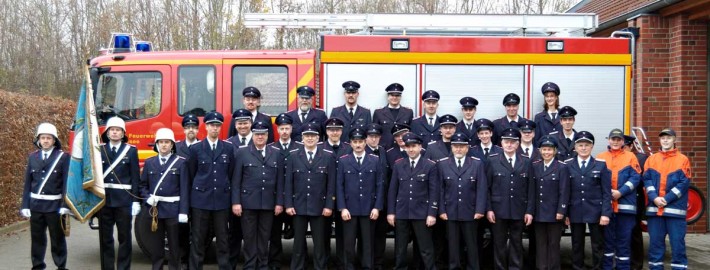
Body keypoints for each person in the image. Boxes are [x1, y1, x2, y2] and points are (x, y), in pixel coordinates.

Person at [187, 111, 236, 270]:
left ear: (221, 127)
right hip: (201, 201)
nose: (215, 128)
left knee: (223, 239)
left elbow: (230, 173)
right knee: (198, 240)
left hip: (221, 201)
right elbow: (192, 174)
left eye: (217, 125)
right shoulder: (195, 149)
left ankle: (225, 267)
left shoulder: (228, 148)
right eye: (211, 125)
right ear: (206, 127)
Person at [232, 121, 284, 269]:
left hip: (268, 203)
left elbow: (280, 180)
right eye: (257, 134)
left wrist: (279, 202)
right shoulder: (242, 152)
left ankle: (262, 266)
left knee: (264, 237)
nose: (260, 137)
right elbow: (236, 180)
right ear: (252, 135)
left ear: (267, 136)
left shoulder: (276, 152)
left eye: (263, 134)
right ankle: (249, 266)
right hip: (248, 203)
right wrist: (236, 202)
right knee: (249, 238)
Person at [284, 123, 336, 270]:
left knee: (319, 243)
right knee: (298, 243)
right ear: (302, 138)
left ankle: (320, 267)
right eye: (307, 136)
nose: (310, 138)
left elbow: (331, 184)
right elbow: (288, 183)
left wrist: (328, 206)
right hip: (298, 206)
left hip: (319, 207)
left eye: (313, 136)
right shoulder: (293, 156)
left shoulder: (327, 156)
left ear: (318, 138)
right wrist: (288, 204)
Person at [21, 123, 70, 270]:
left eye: (49, 138)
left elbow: (66, 183)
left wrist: (65, 205)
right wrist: (25, 205)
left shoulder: (62, 157)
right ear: (38, 140)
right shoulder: (32, 157)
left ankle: (61, 266)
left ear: (54, 140)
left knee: (57, 239)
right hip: (36, 206)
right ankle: (38, 266)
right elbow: (28, 183)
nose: (46, 141)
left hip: (54, 206)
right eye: (43, 138)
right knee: (37, 239)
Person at [387, 132, 439, 270]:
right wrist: (391, 212)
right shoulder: (398, 165)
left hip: (422, 213)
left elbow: (434, 192)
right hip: (402, 212)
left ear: (420, 147)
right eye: (408, 146)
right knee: (400, 248)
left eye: (414, 146)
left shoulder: (430, 165)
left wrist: (432, 213)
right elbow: (393, 190)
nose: (410, 149)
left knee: (425, 248)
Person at [139, 128, 189, 270]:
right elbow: (143, 185)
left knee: (174, 245)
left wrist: (183, 211)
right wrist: (147, 198)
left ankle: (174, 267)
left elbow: (184, 189)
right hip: (155, 210)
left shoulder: (180, 163)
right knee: (156, 245)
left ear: (172, 144)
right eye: (161, 142)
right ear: (157, 144)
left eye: (167, 142)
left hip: (173, 210)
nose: (164, 145)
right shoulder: (149, 162)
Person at [336, 128, 385, 270]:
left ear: (365, 142)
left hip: (369, 209)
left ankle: (367, 267)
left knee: (367, 244)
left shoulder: (375, 160)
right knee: (349, 244)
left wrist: (377, 207)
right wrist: (342, 208)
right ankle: (349, 267)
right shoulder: (344, 161)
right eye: (355, 142)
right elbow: (339, 186)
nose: (358, 145)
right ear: (350, 143)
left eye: (361, 142)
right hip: (349, 210)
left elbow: (379, 185)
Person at [486, 127, 534, 270]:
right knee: (499, 244)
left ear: (518, 144)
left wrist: (529, 211)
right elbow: (486, 188)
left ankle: (515, 267)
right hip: (498, 210)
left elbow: (530, 188)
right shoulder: (492, 160)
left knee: (516, 243)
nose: (509, 145)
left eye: (513, 142)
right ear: (501, 143)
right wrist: (488, 209)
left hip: (519, 209)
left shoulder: (526, 161)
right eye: (506, 142)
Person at [438, 132, 487, 270]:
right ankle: (454, 267)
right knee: (453, 246)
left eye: (461, 146)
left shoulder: (477, 164)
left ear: (467, 148)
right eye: (455, 146)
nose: (458, 149)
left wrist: (479, 210)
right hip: (450, 211)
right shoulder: (443, 164)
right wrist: (441, 210)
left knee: (472, 245)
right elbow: (440, 190)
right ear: (451, 148)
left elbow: (481, 188)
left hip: (470, 211)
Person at [644, 128, 690, 270]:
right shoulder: (651, 159)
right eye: (663, 138)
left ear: (674, 140)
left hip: (675, 212)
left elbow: (683, 183)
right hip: (655, 211)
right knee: (655, 246)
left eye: (668, 138)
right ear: (660, 140)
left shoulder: (683, 159)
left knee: (677, 245)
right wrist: (654, 198)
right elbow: (647, 180)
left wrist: (666, 199)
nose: (665, 140)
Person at [565, 131, 611, 270]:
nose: (583, 148)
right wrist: (566, 213)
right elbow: (565, 191)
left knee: (597, 243)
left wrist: (605, 213)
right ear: (575, 147)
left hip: (595, 211)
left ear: (592, 147)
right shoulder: (568, 165)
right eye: (580, 145)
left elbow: (606, 192)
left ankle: (598, 267)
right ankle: (578, 267)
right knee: (577, 243)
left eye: (587, 145)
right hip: (575, 209)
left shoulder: (601, 165)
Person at [596, 128, 642, 270]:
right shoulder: (600, 157)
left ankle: (623, 267)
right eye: (613, 139)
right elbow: (596, 179)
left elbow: (635, 178)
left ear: (622, 141)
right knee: (607, 242)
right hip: (607, 208)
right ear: (608, 140)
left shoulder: (631, 157)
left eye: (618, 140)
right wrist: (609, 193)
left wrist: (620, 192)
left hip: (625, 208)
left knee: (624, 242)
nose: (615, 142)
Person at [99, 116, 140, 270]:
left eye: (118, 130)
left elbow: (135, 177)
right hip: (104, 201)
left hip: (124, 201)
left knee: (124, 238)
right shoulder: (99, 149)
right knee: (105, 238)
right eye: (112, 130)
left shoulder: (131, 151)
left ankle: (124, 267)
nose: (115, 133)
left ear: (123, 133)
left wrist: (136, 200)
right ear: (107, 133)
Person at [531, 135, 569, 270]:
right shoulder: (535, 166)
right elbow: (532, 190)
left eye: (549, 150)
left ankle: (553, 267)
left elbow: (564, 191)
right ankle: (541, 267)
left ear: (555, 151)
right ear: (540, 151)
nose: (546, 152)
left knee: (553, 244)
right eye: (544, 149)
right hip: (539, 212)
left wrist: (561, 211)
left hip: (554, 213)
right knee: (540, 244)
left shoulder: (561, 167)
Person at [267, 113, 299, 270]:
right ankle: (274, 262)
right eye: (282, 128)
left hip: (296, 198)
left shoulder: (299, 147)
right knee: (274, 233)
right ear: (277, 130)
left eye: (287, 128)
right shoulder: (270, 148)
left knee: (299, 234)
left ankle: (300, 262)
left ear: (291, 129)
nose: (285, 131)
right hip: (276, 198)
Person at [322, 117, 352, 269]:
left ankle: (342, 261)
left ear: (342, 131)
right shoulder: (320, 147)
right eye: (331, 130)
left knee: (343, 232)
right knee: (323, 232)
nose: (334, 132)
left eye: (337, 130)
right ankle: (325, 261)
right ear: (326, 131)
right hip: (324, 198)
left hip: (344, 197)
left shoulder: (349, 148)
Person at [623, 135, 648, 270]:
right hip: (619, 202)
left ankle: (636, 265)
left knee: (635, 235)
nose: (623, 149)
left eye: (625, 147)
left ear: (631, 146)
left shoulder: (640, 159)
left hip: (635, 202)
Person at [373, 83, 414, 149]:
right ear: (388, 96)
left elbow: (411, 132)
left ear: (400, 97)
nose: (394, 97)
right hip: (384, 148)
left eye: (397, 95)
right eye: (392, 95)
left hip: (403, 149)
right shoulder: (378, 112)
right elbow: (375, 133)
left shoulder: (408, 112)